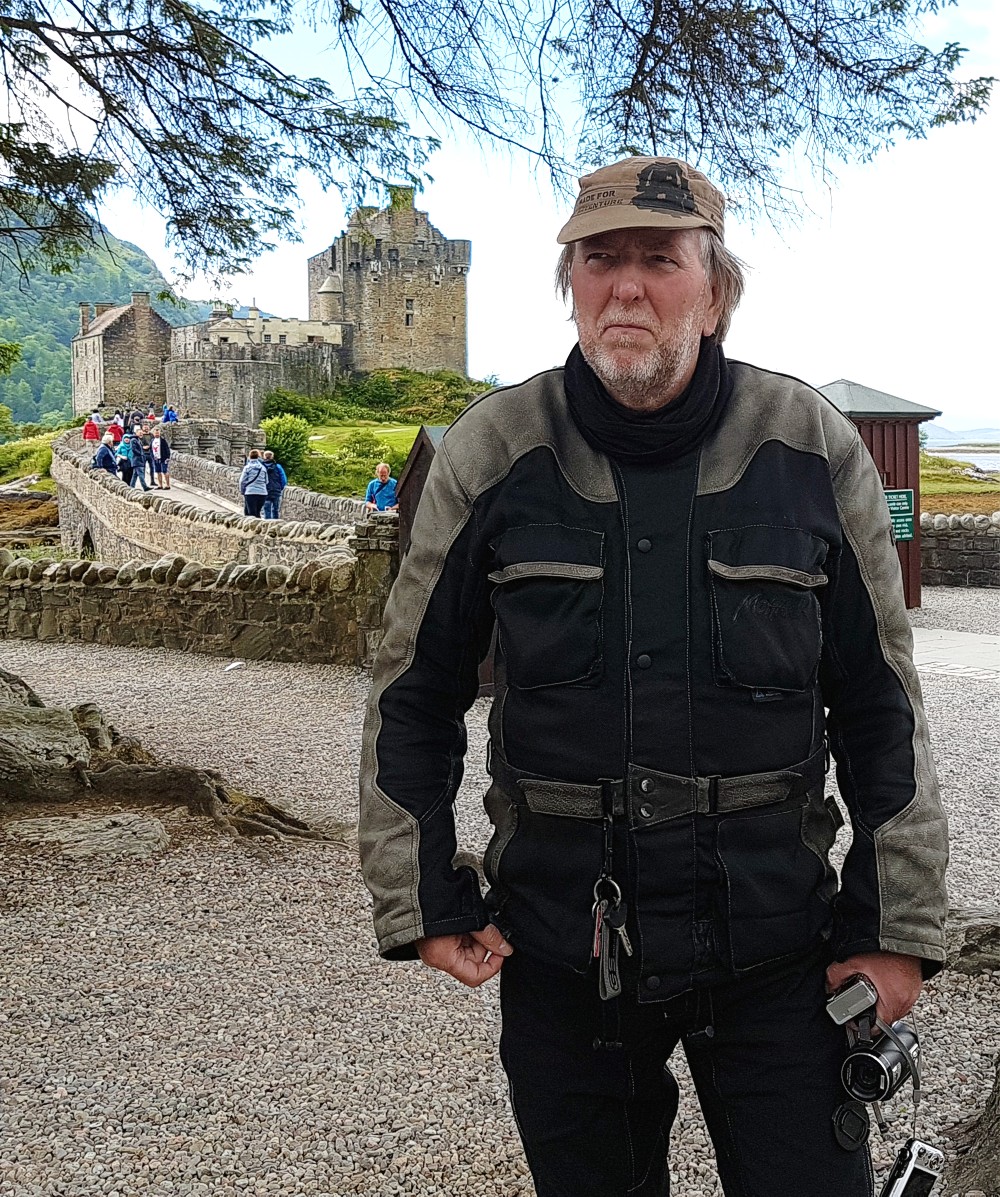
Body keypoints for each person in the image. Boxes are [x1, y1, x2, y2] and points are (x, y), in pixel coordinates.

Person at [358, 157, 948, 1197]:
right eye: (600, 260)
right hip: (560, 948)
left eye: (658, 260)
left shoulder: (808, 447)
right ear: (571, 285)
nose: (626, 285)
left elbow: (879, 702)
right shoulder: (492, 451)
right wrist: (422, 898)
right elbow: (412, 686)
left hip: (776, 950)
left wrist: (892, 929)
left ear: (713, 291)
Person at [239, 449, 269, 517]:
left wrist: (242, 491)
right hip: (262, 493)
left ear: (249, 457)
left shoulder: (247, 467)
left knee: (251, 513)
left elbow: (242, 481)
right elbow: (266, 481)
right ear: (258, 457)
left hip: (250, 492)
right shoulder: (263, 468)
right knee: (257, 513)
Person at [262, 450, 287, 519]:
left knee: (266, 509)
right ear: (272, 457)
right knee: (275, 509)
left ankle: (267, 523)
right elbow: (283, 479)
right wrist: (280, 487)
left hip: (265, 490)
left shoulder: (262, 467)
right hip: (276, 490)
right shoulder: (278, 466)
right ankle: (275, 523)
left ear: (264, 457)